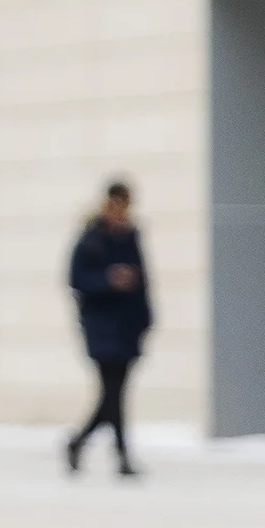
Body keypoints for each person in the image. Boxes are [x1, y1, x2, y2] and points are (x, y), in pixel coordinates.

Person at [65, 180, 152, 478]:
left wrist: (146, 319)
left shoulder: (130, 237)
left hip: (127, 325)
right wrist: (108, 279)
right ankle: (121, 455)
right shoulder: (92, 238)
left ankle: (79, 442)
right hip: (101, 326)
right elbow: (77, 280)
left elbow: (144, 282)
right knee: (113, 392)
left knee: (114, 393)